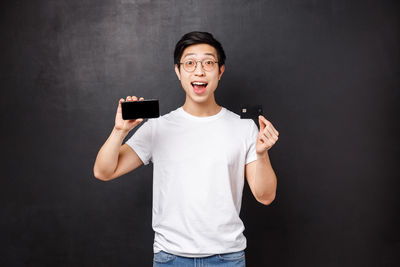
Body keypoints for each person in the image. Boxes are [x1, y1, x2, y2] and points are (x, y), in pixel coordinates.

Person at [93, 31, 279, 267]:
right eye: (190, 63)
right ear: (178, 71)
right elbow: (104, 171)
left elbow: (265, 196)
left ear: (220, 71)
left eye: (208, 63)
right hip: (170, 257)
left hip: (227, 258)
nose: (199, 71)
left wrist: (261, 154)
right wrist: (120, 130)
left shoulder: (244, 128)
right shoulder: (158, 127)